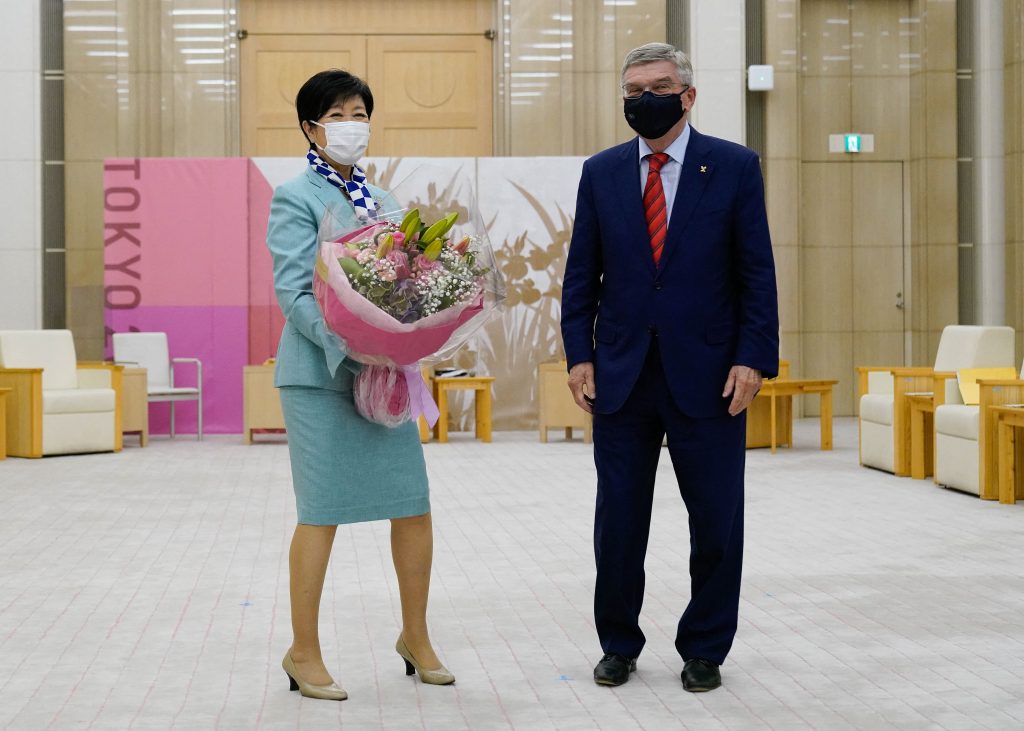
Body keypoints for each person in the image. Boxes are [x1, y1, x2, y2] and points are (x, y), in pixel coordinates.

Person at [560, 43, 779, 693]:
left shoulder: (734, 167)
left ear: (686, 95)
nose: (641, 99)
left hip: (710, 377)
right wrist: (579, 354)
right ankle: (618, 642)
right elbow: (581, 279)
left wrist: (754, 356)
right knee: (619, 523)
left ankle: (706, 645)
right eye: (631, 90)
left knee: (716, 519)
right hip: (622, 377)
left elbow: (756, 272)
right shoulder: (601, 173)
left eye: (655, 86)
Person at [267, 69, 454, 702]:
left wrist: (414, 330)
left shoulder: (387, 202)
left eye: (359, 113)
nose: (352, 125)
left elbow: (407, 285)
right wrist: (349, 343)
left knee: (414, 505)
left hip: (385, 383)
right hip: (321, 378)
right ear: (310, 128)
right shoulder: (295, 197)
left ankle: (416, 636)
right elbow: (293, 292)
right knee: (322, 515)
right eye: (338, 114)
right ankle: (304, 650)